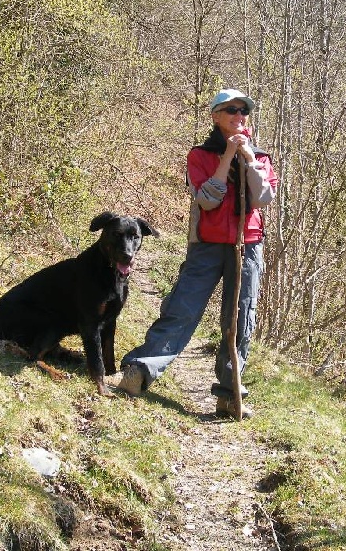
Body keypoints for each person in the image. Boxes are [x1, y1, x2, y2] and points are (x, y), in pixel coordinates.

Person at [117, 88, 278, 418]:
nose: (239, 116)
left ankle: (229, 394)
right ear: (216, 116)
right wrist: (227, 159)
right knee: (183, 309)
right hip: (207, 245)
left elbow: (262, 198)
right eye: (231, 110)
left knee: (240, 319)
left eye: (243, 111)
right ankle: (140, 370)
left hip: (247, 246)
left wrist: (246, 157)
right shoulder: (200, 155)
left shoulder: (260, 158)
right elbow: (207, 200)